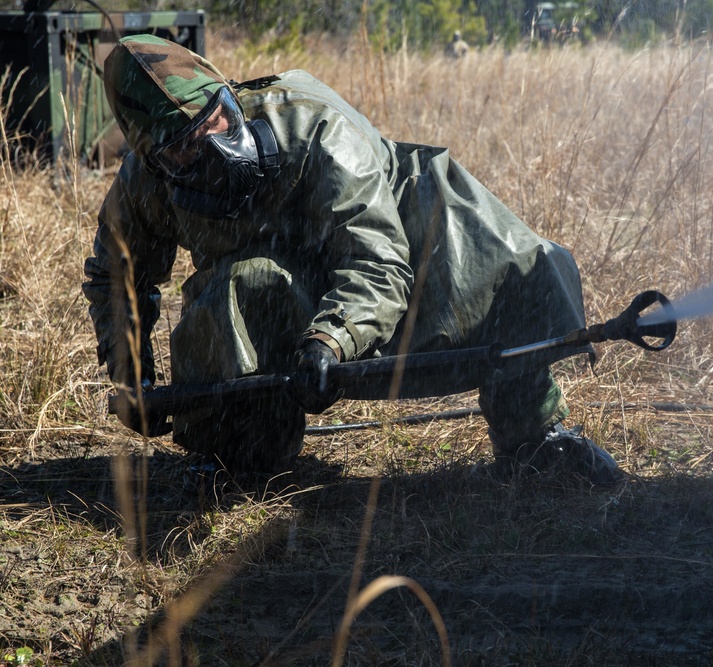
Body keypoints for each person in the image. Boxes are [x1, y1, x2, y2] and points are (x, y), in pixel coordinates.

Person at [83, 34, 619, 486]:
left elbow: (377, 261)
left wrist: (329, 342)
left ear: (228, 94)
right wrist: (136, 380)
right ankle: (237, 456)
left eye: (217, 117)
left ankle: (534, 436)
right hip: (286, 278)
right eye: (185, 145)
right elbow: (116, 276)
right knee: (240, 289)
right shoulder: (144, 184)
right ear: (154, 157)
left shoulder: (317, 130)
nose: (215, 142)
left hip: (404, 225)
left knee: (519, 269)